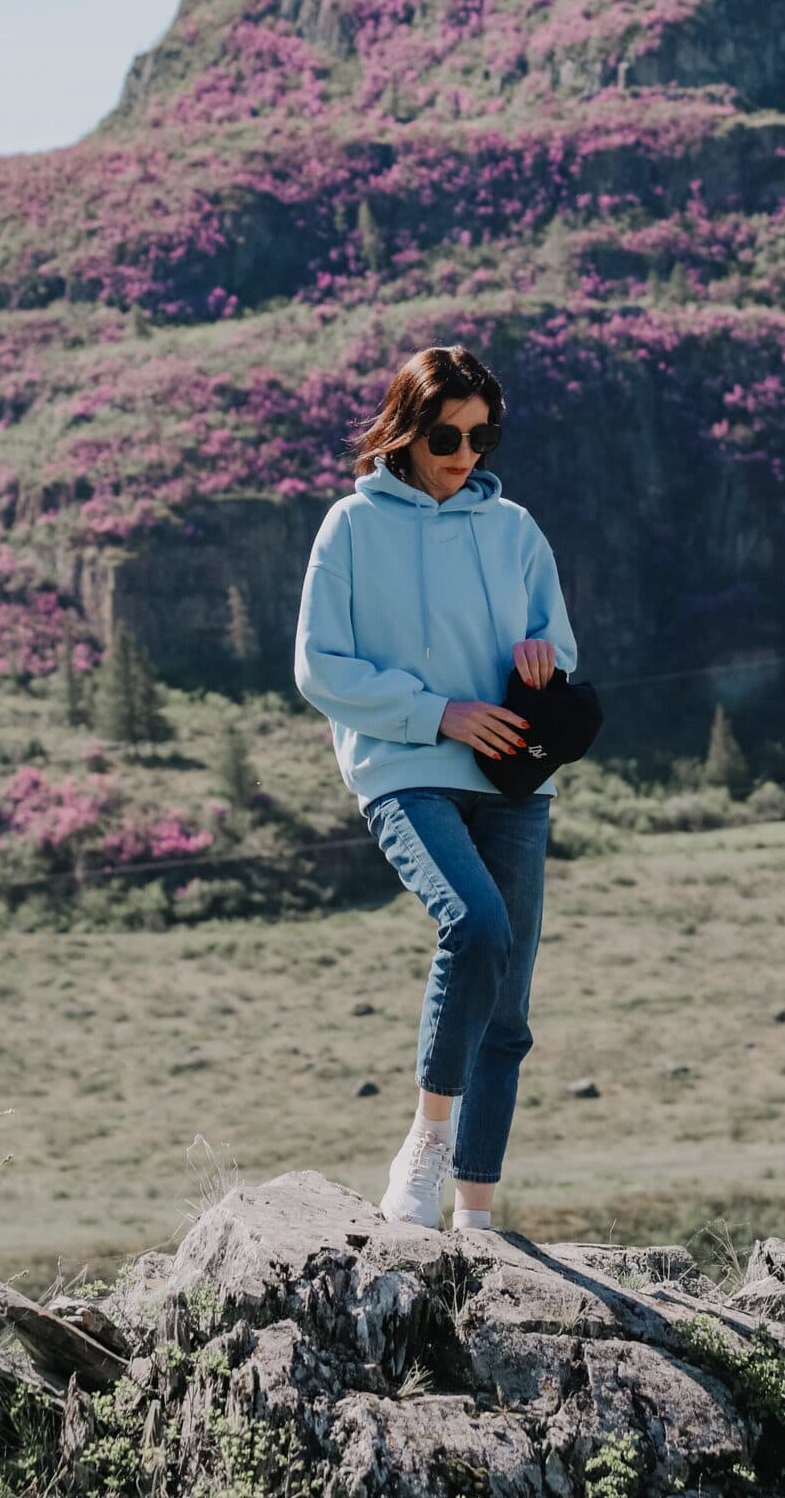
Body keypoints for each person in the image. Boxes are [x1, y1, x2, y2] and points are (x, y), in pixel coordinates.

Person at [293, 342, 578, 1234]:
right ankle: (426, 1138)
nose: (464, 455)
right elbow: (319, 667)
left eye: (481, 437)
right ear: (406, 431)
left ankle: (476, 1221)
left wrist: (542, 661)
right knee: (477, 926)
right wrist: (437, 714)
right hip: (406, 769)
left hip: (512, 777)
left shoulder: (516, 530)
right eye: (446, 437)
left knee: (509, 1007)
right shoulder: (350, 526)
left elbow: (561, 647)